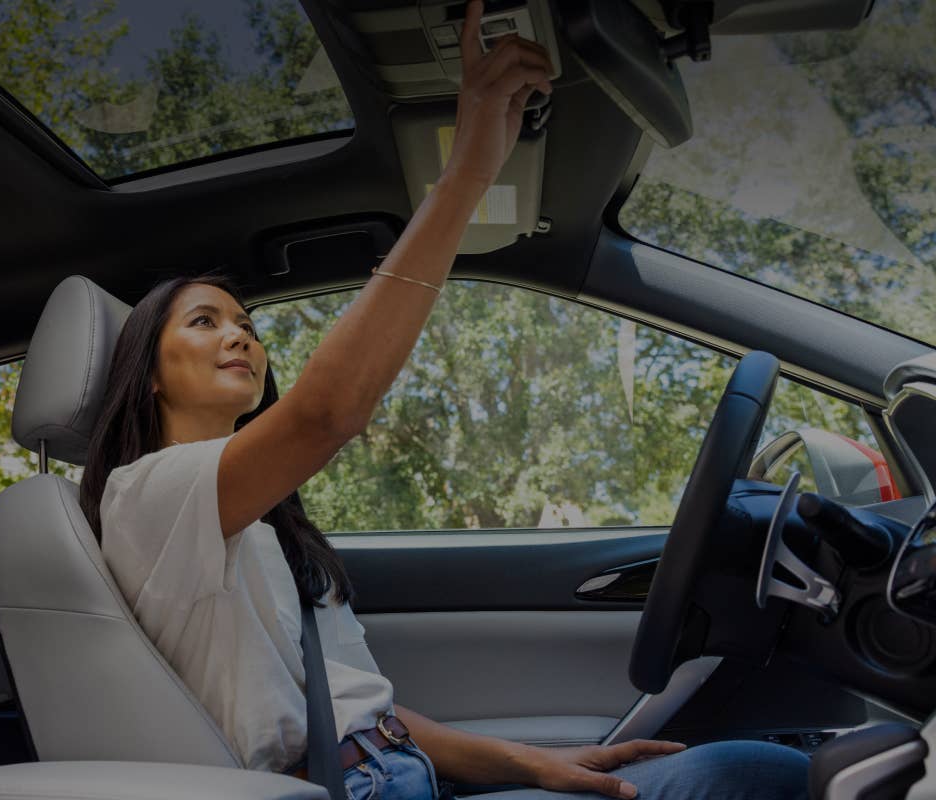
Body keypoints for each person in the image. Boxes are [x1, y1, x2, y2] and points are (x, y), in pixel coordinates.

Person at [76, 2, 811, 798]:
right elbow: (327, 413)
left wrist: (550, 768)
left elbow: (365, 711)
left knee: (752, 768)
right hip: (344, 791)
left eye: (249, 324)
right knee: (753, 776)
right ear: (147, 371)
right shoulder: (143, 497)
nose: (242, 337)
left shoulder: (259, 524)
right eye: (205, 321)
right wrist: (467, 168)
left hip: (393, 773)